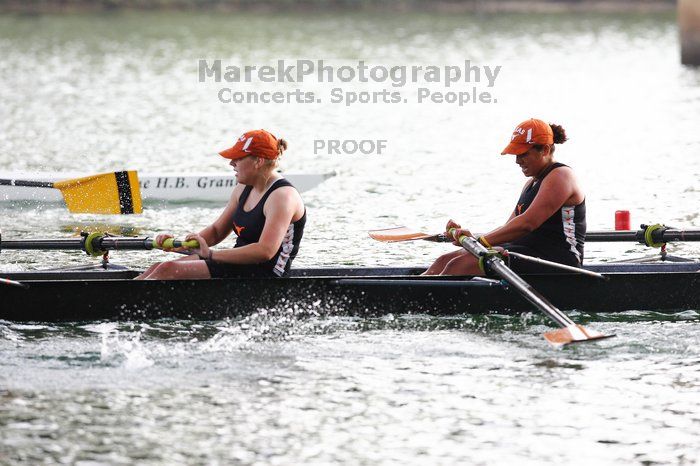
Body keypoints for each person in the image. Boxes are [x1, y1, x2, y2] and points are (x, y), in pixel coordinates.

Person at [136, 129, 306, 280]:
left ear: (258, 161)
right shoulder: (242, 188)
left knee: (168, 269)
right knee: (158, 267)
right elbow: (217, 231)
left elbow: (265, 251)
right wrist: (179, 245)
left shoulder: (282, 197)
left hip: (266, 274)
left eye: (238, 158)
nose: (231, 163)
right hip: (239, 265)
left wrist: (211, 254)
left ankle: (125, 309)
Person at [424, 118, 586, 276]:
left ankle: (428, 301)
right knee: (445, 260)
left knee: (459, 265)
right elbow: (509, 227)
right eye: (515, 155)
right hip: (527, 254)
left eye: (523, 154)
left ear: (544, 150)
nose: (517, 161)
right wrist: (474, 239)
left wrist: (479, 243)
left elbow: (526, 224)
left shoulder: (561, 176)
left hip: (559, 263)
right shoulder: (531, 183)